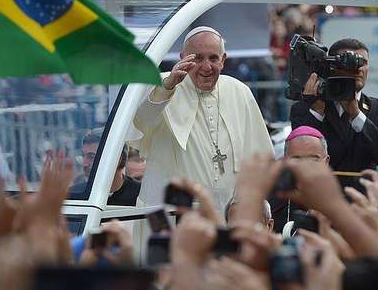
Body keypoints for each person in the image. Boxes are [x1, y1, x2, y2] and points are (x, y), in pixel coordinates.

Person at [133, 26, 273, 213]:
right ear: (183, 57)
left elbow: (260, 158)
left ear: (223, 60)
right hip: (173, 213)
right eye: (198, 58)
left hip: (228, 211)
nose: (206, 67)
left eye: (213, 58)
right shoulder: (161, 83)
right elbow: (140, 122)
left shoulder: (239, 91)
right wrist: (167, 88)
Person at [289, 38, 378, 186]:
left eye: (363, 63)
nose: (359, 69)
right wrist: (316, 113)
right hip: (319, 198)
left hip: (363, 201)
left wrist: (357, 115)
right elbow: (302, 157)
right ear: (333, 67)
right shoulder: (304, 108)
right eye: (352, 62)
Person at [268, 125, 330, 229]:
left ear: (326, 162)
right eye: (297, 159)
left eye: (313, 159)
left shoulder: (343, 208)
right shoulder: (270, 203)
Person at [73, 129, 141, 206]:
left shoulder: (142, 195)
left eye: (91, 157)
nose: (84, 164)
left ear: (117, 160)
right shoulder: (74, 195)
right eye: (83, 156)